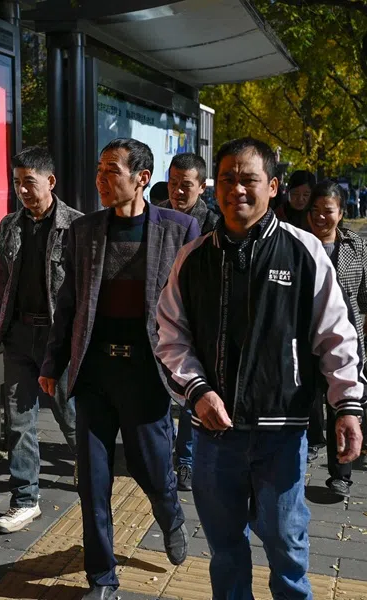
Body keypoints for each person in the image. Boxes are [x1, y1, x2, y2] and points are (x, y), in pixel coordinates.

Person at [155, 137, 366, 600]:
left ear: (272, 187)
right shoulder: (194, 259)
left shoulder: (304, 252)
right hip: (214, 436)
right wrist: (197, 391)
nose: (237, 189)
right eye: (227, 179)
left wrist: (346, 406)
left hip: (282, 434)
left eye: (248, 179)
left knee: (286, 548)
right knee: (225, 551)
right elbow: (170, 336)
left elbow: (336, 334)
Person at [39, 138, 199, 599]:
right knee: (92, 481)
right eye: (99, 170)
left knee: (153, 470)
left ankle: (170, 514)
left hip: (147, 374)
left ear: (141, 178)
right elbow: (67, 303)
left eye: (112, 171)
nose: (101, 180)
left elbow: (191, 308)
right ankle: (103, 578)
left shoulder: (178, 229)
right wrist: (54, 362)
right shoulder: (84, 231)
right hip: (94, 373)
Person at [0, 146, 82, 534]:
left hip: (59, 340)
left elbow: (85, 293)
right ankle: (25, 500)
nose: (22, 190)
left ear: (50, 182)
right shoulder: (9, 226)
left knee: (69, 416)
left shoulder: (77, 228)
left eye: (29, 182)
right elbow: (2, 286)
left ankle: (88, 470)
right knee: (19, 422)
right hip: (19, 336)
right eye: (17, 182)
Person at [306, 180, 367, 497]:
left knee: (343, 404)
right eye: (315, 210)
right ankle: (309, 444)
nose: (320, 217)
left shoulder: (354, 245)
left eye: (328, 211)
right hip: (304, 335)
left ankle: (341, 475)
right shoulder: (297, 243)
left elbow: (366, 287)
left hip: (346, 336)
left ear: (342, 212)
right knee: (307, 400)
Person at [154, 152, 219, 491]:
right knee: (159, 390)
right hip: (157, 316)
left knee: (190, 389)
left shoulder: (213, 223)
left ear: (203, 187)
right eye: (173, 184)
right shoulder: (157, 215)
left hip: (194, 319)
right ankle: (165, 452)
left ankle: (187, 460)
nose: (178, 192)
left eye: (186, 186)